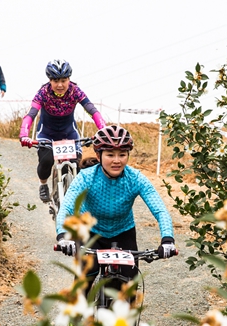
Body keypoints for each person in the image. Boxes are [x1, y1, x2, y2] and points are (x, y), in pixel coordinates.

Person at [54, 124, 178, 292]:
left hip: (123, 232)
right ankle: (77, 317)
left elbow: (160, 210)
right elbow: (67, 207)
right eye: (110, 154)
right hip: (90, 232)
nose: (117, 160)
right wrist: (63, 235)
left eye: (122, 154)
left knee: (129, 288)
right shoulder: (86, 177)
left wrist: (167, 239)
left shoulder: (135, 178)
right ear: (98, 156)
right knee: (84, 281)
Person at [19, 59, 106, 202]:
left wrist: (103, 129)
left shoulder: (75, 91)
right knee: (46, 160)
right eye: (55, 80)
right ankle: (43, 185)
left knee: (76, 166)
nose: (60, 85)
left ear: (69, 79)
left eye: (64, 80)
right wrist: (24, 134)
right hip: (46, 134)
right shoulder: (43, 93)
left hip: (69, 133)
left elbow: (91, 110)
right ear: (49, 80)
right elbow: (31, 114)